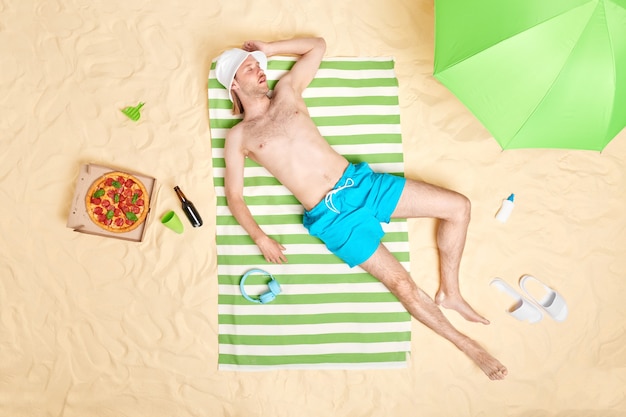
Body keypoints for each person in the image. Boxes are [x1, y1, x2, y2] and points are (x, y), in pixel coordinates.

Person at [215, 37, 508, 380]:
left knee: (459, 206)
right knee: (401, 284)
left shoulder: (288, 91)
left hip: (361, 185)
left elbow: (317, 47)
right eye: (249, 68)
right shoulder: (240, 136)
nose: (260, 69)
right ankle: (468, 345)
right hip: (332, 219)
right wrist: (260, 237)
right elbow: (234, 196)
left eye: (260, 64)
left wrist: (268, 48)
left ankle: (451, 291)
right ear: (234, 84)